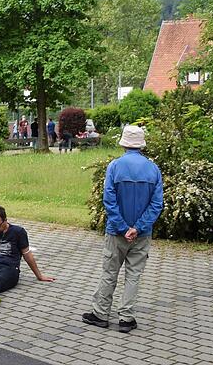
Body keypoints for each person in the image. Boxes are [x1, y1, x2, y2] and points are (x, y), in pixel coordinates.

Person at [82, 125, 163, 333]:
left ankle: (101, 314)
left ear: (124, 143)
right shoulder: (153, 169)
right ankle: (126, 318)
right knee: (133, 275)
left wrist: (122, 226)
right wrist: (138, 227)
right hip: (142, 234)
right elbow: (156, 204)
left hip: (116, 232)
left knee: (109, 272)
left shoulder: (115, 166)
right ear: (142, 145)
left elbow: (109, 200)